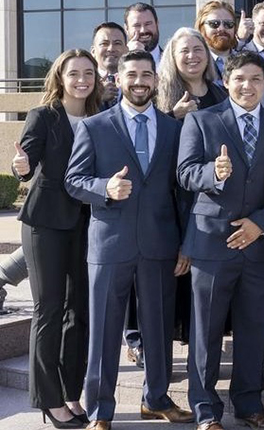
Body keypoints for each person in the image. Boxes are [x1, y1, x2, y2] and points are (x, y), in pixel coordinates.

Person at [65, 50, 193, 430]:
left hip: (160, 244)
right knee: (104, 329)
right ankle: (100, 411)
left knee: (157, 327)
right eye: (131, 75)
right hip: (109, 244)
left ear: (156, 80)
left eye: (146, 75)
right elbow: (74, 181)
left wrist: (186, 244)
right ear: (118, 80)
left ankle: (156, 399)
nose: (139, 82)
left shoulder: (173, 129)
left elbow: (182, 192)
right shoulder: (95, 126)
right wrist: (106, 186)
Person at [177, 53, 264, 430]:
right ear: (226, 79)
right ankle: (206, 411)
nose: (248, 86)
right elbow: (185, 174)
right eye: (240, 78)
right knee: (205, 332)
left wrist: (260, 224)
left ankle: (249, 403)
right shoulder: (202, 120)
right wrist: (214, 172)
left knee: (255, 328)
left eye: (256, 79)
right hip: (211, 244)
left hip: (258, 245)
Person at [14, 49, 103, 429]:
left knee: (78, 311)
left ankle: (71, 392)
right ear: (61, 77)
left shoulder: (101, 116)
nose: (82, 79)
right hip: (45, 223)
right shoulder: (43, 116)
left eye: (88, 73)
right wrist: (21, 166)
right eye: (74, 73)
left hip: (86, 224)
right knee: (49, 309)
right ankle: (48, 400)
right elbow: (26, 159)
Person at [156, 28, 226, 120]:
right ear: (173, 58)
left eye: (197, 49)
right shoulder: (157, 94)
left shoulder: (222, 94)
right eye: (184, 51)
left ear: (207, 55)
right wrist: (173, 115)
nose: (192, 56)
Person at [195, 0, 240, 82]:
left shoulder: (245, 61)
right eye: (214, 24)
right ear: (201, 28)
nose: (222, 29)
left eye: (228, 24)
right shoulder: (194, 63)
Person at [91, 22, 127, 109]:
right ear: (93, 51)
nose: (111, 49)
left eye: (117, 43)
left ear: (127, 50)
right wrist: (97, 99)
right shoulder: (85, 82)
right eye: (104, 44)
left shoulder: (136, 81)